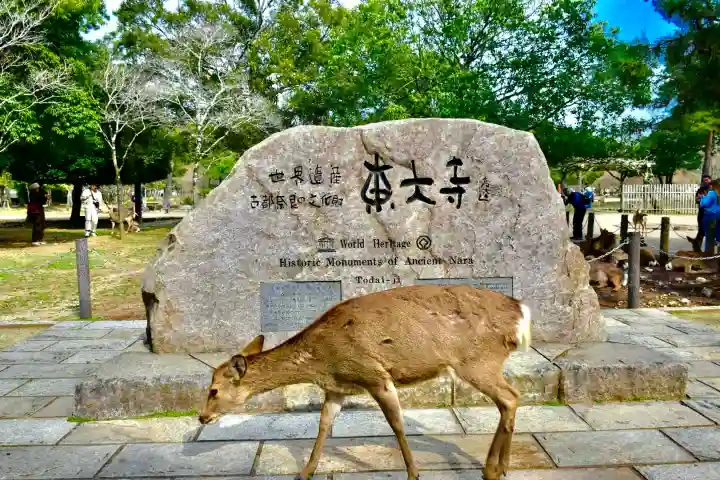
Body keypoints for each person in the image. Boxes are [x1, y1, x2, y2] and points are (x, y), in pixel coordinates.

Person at [691, 175, 712, 250]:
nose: (705, 182)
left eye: (707, 180)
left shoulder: (715, 190)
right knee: (701, 232)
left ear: (710, 180)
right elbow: (697, 201)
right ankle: (697, 249)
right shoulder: (700, 190)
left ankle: (711, 252)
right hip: (702, 214)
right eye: (704, 180)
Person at [699, 179, 720, 251]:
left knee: (709, 238)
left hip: (711, 216)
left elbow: (704, 205)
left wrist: (702, 198)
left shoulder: (712, 193)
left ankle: (708, 257)